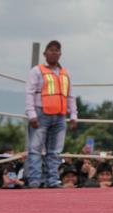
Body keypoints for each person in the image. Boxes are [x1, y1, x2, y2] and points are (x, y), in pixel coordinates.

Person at [25, 40, 77, 188]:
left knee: (55, 152)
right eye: (51, 50)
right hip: (41, 114)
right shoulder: (36, 71)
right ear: (45, 53)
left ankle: (52, 181)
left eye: (57, 50)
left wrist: (73, 114)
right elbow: (29, 92)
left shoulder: (65, 73)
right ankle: (34, 181)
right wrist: (31, 114)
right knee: (35, 149)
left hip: (60, 116)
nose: (54, 53)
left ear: (60, 54)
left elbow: (71, 95)